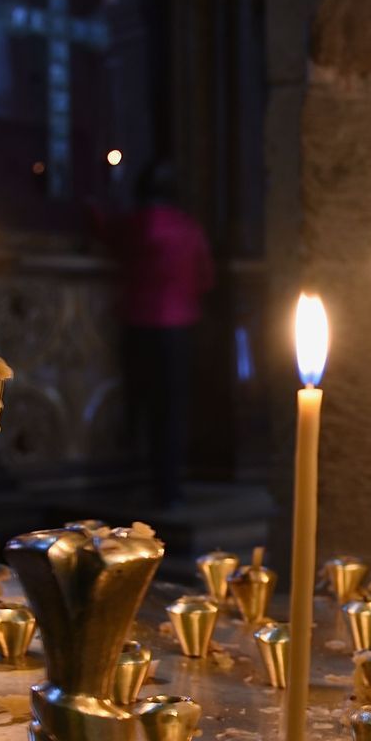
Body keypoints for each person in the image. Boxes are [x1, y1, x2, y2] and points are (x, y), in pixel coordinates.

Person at [102, 160, 213, 508]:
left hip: (137, 323)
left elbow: (105, 236)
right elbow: (206, 277)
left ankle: (134, 481)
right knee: (172, 407)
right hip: (179, 327)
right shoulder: (188, 227)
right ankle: (169, 487)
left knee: (137, 405)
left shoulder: (134, 224)